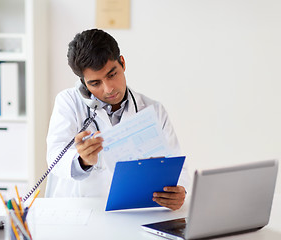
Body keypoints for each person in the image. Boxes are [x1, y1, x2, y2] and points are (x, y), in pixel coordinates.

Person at [45, 29, 190, 210]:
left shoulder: (154, 110)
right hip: (80, 211)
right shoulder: (68, 102)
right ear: (84, 82)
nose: (108, 89)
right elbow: (54, 158)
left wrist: (179, 191)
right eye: (95, 83)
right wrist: (82, 161)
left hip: (134, 211)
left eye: (112, 75)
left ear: (122, 63)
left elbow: (177, 167)